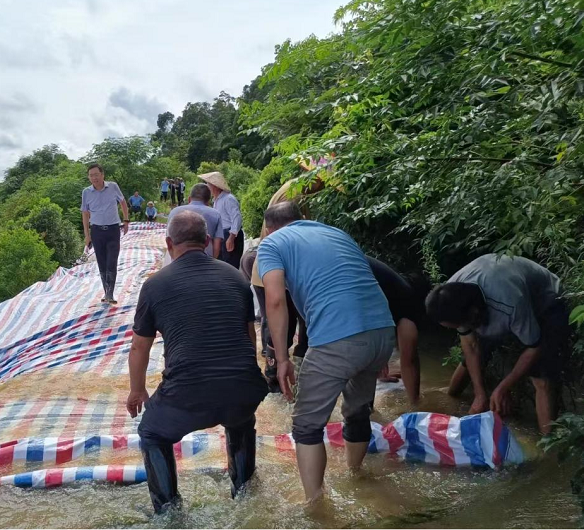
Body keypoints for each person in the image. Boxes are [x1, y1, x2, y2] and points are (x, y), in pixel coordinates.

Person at [126, 211, 268, 513]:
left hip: (187, 393)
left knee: (151, 432)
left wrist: (137, 390)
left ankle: (169, 511)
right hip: (242, 387)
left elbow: (139, 347)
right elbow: (249, 337)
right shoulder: (236, 277)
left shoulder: (154, 285)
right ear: (206, 241)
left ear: (168, 243)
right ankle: (244, 492)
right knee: (241, 420)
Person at [257, 202, 395, 503]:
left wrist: (281, 359)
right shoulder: (336, 233)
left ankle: (316, 507)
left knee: (306, 425)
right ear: (303, 219)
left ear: (269, 228)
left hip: (338, 338)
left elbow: (276, 301)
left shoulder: (271, 244)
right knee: (357, 409)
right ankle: (356, 476)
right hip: (383, 330)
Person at [425, 254, 571, 435]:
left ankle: (547, 445)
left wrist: (503, 388)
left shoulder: (509, 303)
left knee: (541, 377)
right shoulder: (450, 296)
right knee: (472, 359)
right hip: (490, 301)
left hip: (546, 302)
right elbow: (470, 347)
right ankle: (452, 399)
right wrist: (480, 394)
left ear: (473, 314)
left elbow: (534, 347)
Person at [251, 172, 324, 391]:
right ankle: (274, 374)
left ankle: (291, 367)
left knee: (291, 320)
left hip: (278, 266)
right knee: (280, 322)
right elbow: (276, 304)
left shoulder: (293, 189)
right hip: (274, 267)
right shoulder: (297, 195)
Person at [366, 256, 426, 405]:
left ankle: (364, 411)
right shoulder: (407, 303)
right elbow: (409, 360)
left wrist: (380, 363)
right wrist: (416, 405)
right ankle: (364, 411)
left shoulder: (390, 290)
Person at [80, 163, 130, 304]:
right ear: (89, 177)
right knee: (101, 262)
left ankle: (110, 293)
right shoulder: (86, 192)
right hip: (96, 231)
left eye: (96, 174)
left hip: (113, 229)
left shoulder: (113, 186)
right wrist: (87, 235)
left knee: (112, 261)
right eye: (91, 175)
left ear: (102, 175)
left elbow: (123, 202)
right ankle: (106, 291)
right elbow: (85, 213)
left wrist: (126, 220)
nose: (94, 178)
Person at [199, 171, 244, 269]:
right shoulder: (217, 200)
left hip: (230, 234)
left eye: (209, 185)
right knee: (222, 263)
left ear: (215, 186)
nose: (207, 187)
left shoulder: (228, 199)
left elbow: (236, 217)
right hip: (222, 234)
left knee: (230, 264)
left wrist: (231, 237)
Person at [166, 183, 223, 258]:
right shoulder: (216, 214)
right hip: (205, 261)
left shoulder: (174, 212)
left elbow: (169, 238)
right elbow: (217, 246)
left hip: (178, 260)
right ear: (208, 201)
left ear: (189, 199)